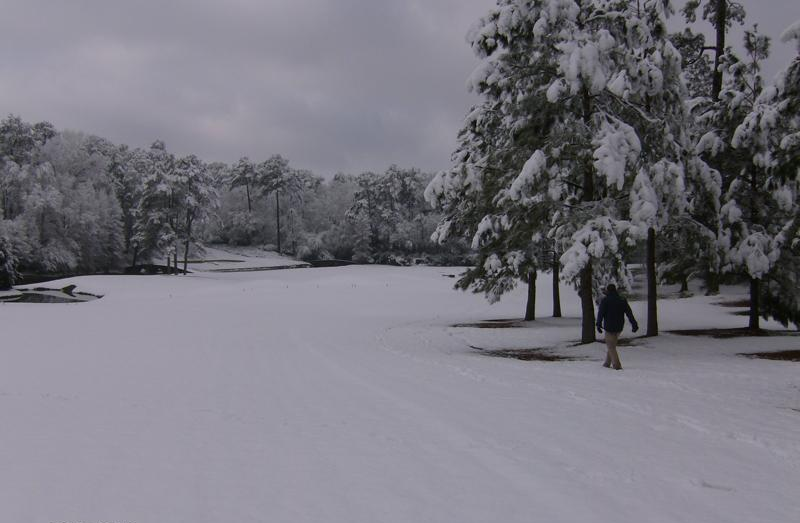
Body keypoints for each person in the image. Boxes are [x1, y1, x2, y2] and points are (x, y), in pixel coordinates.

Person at [596, 284, 638, 370]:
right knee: (612, 345)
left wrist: (598, 324)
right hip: (619, 326)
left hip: (609, 327)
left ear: (608, 291)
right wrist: (634, 324)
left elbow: (601, 313)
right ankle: (607, 363)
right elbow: (629, 313)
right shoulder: (622, 300)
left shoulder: (605, 300)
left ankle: (617, 365)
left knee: (611, 346)